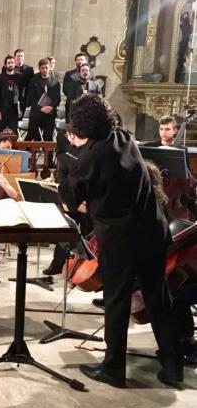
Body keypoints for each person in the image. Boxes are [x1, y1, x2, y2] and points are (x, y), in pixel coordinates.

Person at [58, 93, 182, 387]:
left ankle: (113, 368)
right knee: (158, 297)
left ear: (82, 127)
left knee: (117, 301)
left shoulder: (89, 157)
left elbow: (70, 196)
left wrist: (71, 153)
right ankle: (172, 365)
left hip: (120, 241)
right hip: (152, 231)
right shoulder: (123, 137)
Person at [25, 58, 61, 141]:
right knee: (31, 135)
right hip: (37, 112)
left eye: (46, 68)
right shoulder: (33, 81)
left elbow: (57, 97)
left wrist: (51, 107)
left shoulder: (55, 81)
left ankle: (48, 154)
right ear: (39, 69)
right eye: (42, 68)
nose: (45, 70)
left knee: (48, 136)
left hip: (50, 113)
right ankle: (27, 153)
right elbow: (31, 97)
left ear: (50, 68)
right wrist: (41, 108)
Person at [0, 55, 21, 133]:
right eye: (8, 63)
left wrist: (20, 110)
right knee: (0, 135)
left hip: (14, 112)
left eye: (12, 62)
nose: (10, 64)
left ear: (14, 64)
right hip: (2, 111)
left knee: (13, 135)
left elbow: (21, 95)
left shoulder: (18, 78)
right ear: (5, 65)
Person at [13, 48, 35, 116]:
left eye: (22, 56)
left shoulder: (29, 69)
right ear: (14, 57)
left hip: (24, 97)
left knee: (21, 117)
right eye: (18, 56)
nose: (20, 57)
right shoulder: (9, 67)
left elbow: (31, 85)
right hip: (12, 97)